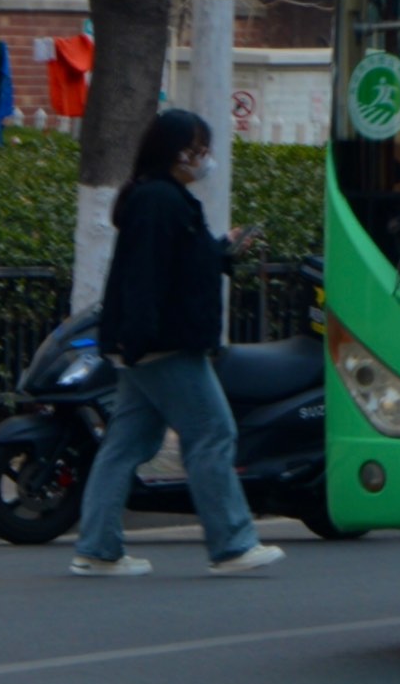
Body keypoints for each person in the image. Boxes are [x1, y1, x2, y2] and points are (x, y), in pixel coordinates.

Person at [71, 108, 285, 577]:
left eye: (203, 149)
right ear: (171, 151)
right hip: (163, 343)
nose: (202, 159)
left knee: (128, 442)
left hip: (144, 342)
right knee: (213, 432)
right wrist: (142, 339)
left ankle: (98, 547)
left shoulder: (159, 199)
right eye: (196, 149)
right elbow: (148, 275)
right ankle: (231, 544)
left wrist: (219, 250)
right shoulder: (160, 202)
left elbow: (175, 264)